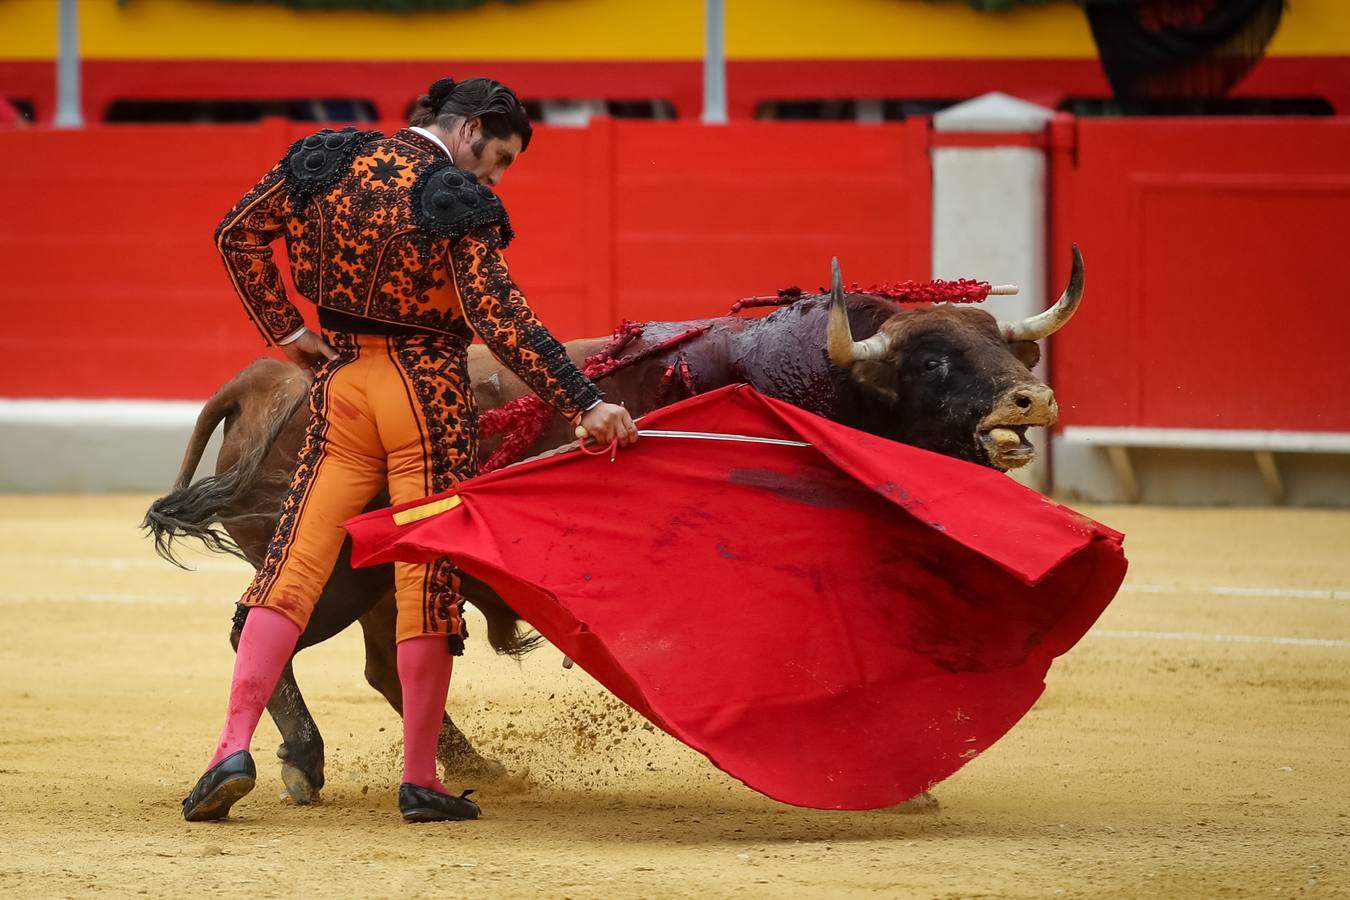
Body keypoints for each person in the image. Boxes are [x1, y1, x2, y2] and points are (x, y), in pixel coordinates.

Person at [182, 77, 636, 824]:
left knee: (292, 566)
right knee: (426, 577)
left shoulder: (323, 160)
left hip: (341, 384)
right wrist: (585, 404)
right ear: (472, 128)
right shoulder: (456, 199)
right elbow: (504, 323)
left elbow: (237, 233)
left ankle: (230, 748)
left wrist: (288, 330)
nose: (495, 175)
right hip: (425, 394)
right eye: (499, 155)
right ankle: (420, 777)